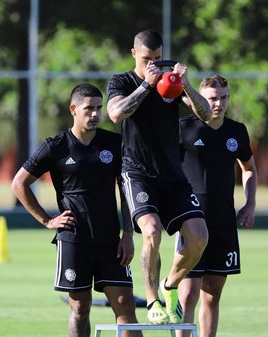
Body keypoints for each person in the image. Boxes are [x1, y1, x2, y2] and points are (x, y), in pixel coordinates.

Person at [11, 83, 142, 337]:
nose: (95, 114)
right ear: (73, 109)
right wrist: (47, 220)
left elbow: (126, 191)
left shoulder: (114, 143)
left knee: (126, 304)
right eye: (88, 108)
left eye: (98, 108)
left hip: (110, 241)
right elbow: (19, 184)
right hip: (74, 240)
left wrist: (128, 234)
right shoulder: (56, 146)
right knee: (81, 308)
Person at [106, 29, 212, 324]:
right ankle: (152, 299)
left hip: (172, 175)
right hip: (137, 171)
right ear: (133, 55)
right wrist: (145, 86)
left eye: (157, 58)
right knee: (151, 231)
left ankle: (170, 285)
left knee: (199, 237)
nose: (153, 63)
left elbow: (206, 115)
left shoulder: (171, 84)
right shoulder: (122, 81)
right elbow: (116, 114)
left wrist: (187, 85)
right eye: (146, 58)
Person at [176, 75, 257, 337]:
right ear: (200, 98)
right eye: (212, 98)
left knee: (212, 294)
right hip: (192, 221)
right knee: (188, 294)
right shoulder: (183, 128)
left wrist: (250, 203)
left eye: (223, 98)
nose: (218, 104)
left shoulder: (236, 131)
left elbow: (249, 169)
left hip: (223, 221)